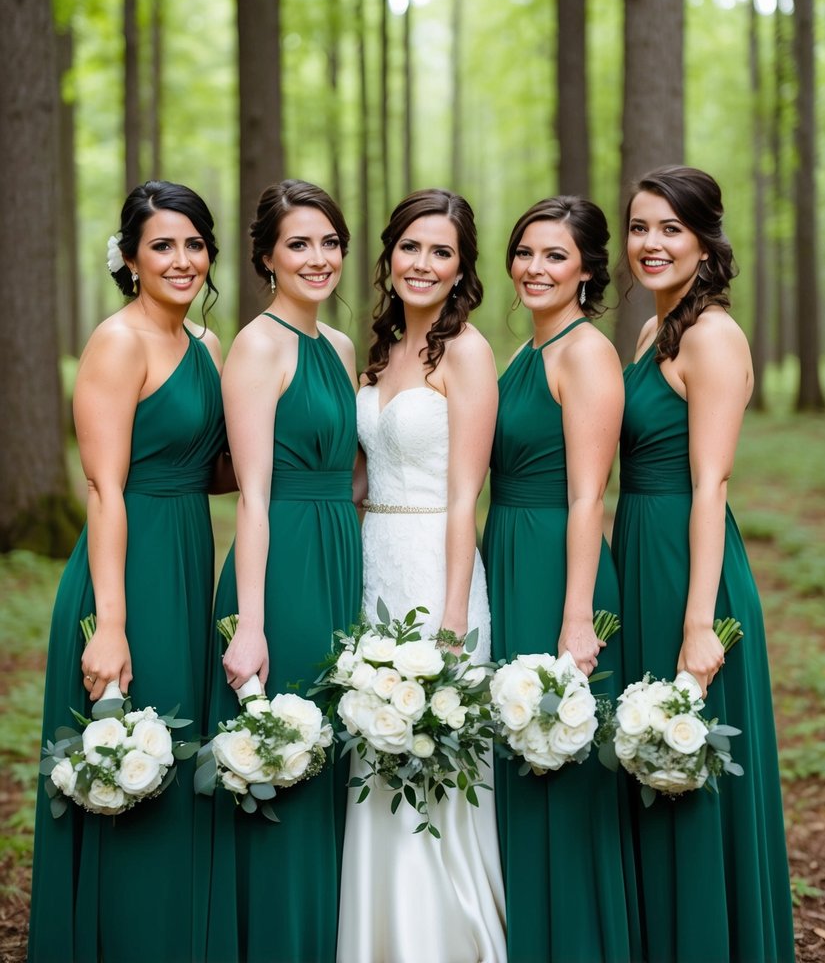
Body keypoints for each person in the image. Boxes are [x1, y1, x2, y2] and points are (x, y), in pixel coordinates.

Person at [28, 181, 227, 963]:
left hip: (185, 563)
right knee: (127, 756)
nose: (181, 260)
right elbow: (105, 485)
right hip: (125, 569)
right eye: (162, 246)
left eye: (193, 243)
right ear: (132, 259)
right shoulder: (119, 342)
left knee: (177, 763)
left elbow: (205, 469)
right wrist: (109, 625)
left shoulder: (207, 347)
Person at [613, 164, 795, 963]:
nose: (650, 244)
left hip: (691, 568)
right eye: (639, 227)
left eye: (669, 229)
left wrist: (696, 622)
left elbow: (710, 482)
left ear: (703, 241)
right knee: (647, 764)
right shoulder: (655, 332)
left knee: (690, 767)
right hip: (639, 554)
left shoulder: (714, 336)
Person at [337, 188, 506, 963]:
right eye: (411, 246)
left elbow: (467, 493)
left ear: (462, 267)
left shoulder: (466, 350)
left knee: (433, 754)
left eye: (442, 251)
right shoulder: (376, 351)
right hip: (374, 559)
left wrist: (446, 621)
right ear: (389, 253)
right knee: (373, 750)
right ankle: (376, 934)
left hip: (438, 568)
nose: (423, 263)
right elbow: (362, 479)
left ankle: (444, 939)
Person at [205, 180, 362, 963]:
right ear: (266, 256)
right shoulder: (258, 345)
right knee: (288, 750)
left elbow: (355, 473)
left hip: (343, 556)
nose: (318, 257)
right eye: (298, 243)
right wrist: (253, 622)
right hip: (286, 562)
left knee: (338, 747)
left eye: (329, 241)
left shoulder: (336, 347)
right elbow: (254, 496)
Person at [482, 196, 640, 963]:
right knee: (514, 750)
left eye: (553, 255)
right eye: (524, 253)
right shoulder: (522, 354)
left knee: (557, 752)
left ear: (585, 269)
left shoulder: (584, 353)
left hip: (557, 563)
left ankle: (574, 942)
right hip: (505, 551)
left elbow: (589, 495)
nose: (534, 268)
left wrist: (577, 616)